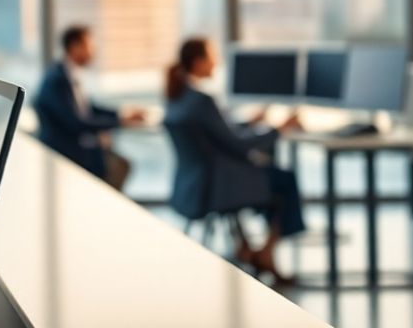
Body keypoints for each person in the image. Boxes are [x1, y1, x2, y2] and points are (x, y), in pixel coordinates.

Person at [163, 37, 305, 286]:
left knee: (271, 177)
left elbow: (218, 134)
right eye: (211, 57)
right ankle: (265, 253)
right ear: (197, 62)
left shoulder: (178, 97)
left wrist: (248, 123)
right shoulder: (202, 100)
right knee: (284, 180)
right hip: (221, 186)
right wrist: (278, 129)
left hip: (198, 185)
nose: (215, 62)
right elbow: (238, 145)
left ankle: (249, 248)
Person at [33, 25, 145, 189]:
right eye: (89, 46)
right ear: (75, 47)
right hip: (65, 155)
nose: (93, 51)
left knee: (118, 162)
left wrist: (121, 114)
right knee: (119, 166)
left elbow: (88, 108)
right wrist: (120, 122)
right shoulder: (57, 80)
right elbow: (76, 123)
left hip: (74, 149)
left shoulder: (67, 74)